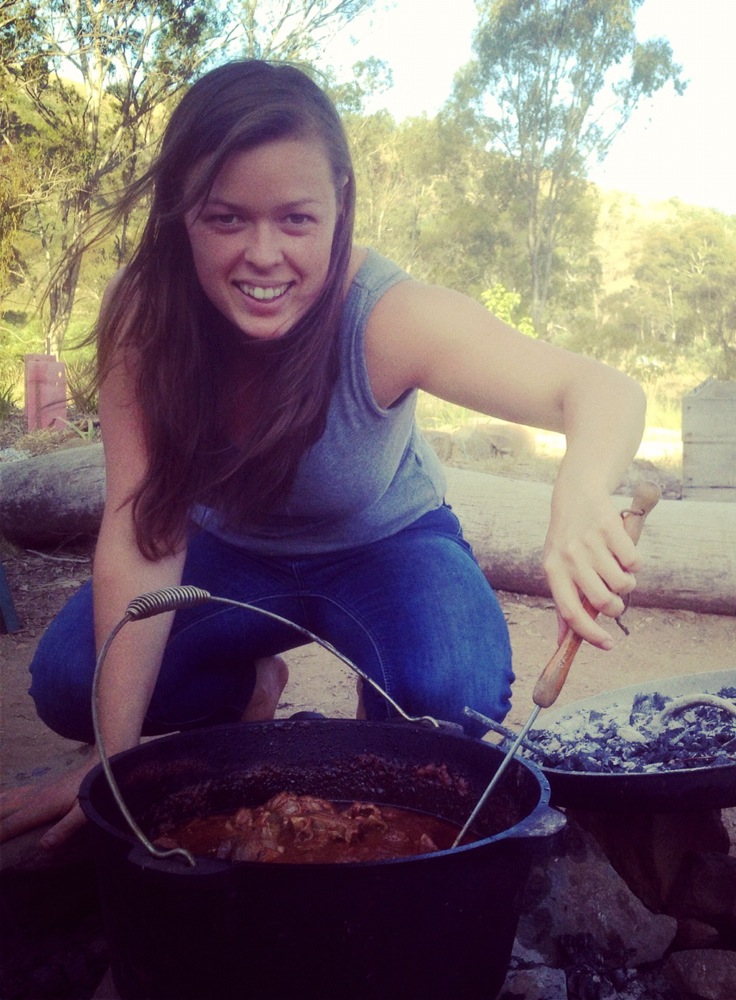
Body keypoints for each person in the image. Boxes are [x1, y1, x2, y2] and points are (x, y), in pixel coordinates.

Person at [0, 61, 647, 850]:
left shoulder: (389, 317)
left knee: (450, 691)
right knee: (72, 682)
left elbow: (600, 388)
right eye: (226, 219)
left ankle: (382, 756)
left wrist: (578, 499)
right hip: (228, 556)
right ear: (180, 214)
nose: (263, 255)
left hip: (385, 548)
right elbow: (144, 529)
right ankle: (249, 686)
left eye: (297, 220)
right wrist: (113, 764)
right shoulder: (146, 314)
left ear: (340, 203)